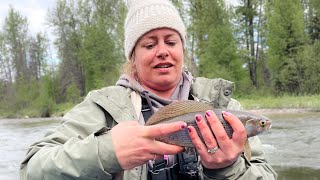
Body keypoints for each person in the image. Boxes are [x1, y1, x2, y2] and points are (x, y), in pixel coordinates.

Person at [20, 0, 277, 179]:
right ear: (133, 57)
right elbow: (32, 169)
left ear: (182, 50)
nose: (162, 50)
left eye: (171, 41)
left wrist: (228, 168)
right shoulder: (101, 108)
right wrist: (109, 152)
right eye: (149, 44)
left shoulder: (224, 106)